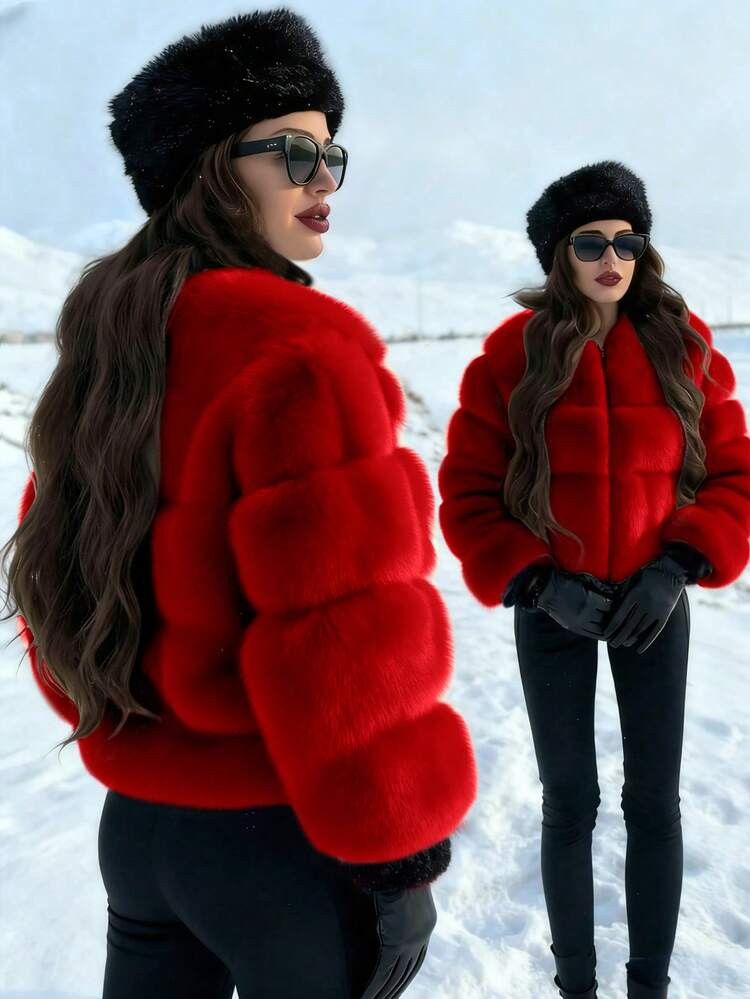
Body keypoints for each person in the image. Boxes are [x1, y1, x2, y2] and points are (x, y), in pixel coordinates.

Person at [1, 8, 477, 999]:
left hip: (139, 833)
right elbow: (343, 642)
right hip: (278, 854)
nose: (324, 181)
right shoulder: (299, 351)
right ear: (212, 167)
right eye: (295, 152)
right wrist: (399, 856)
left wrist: (137, 735)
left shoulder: (109, 342)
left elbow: (56, 578)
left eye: (332, 155)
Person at [437, 160, 750, 999]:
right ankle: (575, 987)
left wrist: (679, 565)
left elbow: (735, 473)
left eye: (627, 241)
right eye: (590, 243)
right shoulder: (511, 357)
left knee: (655, 802)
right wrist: (539, 583)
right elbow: (466, 493)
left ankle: (649, 987)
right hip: (554, 607)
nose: (612, 259)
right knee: (568, 802)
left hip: (655, 604)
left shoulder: (686, 348)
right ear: (557, 254)